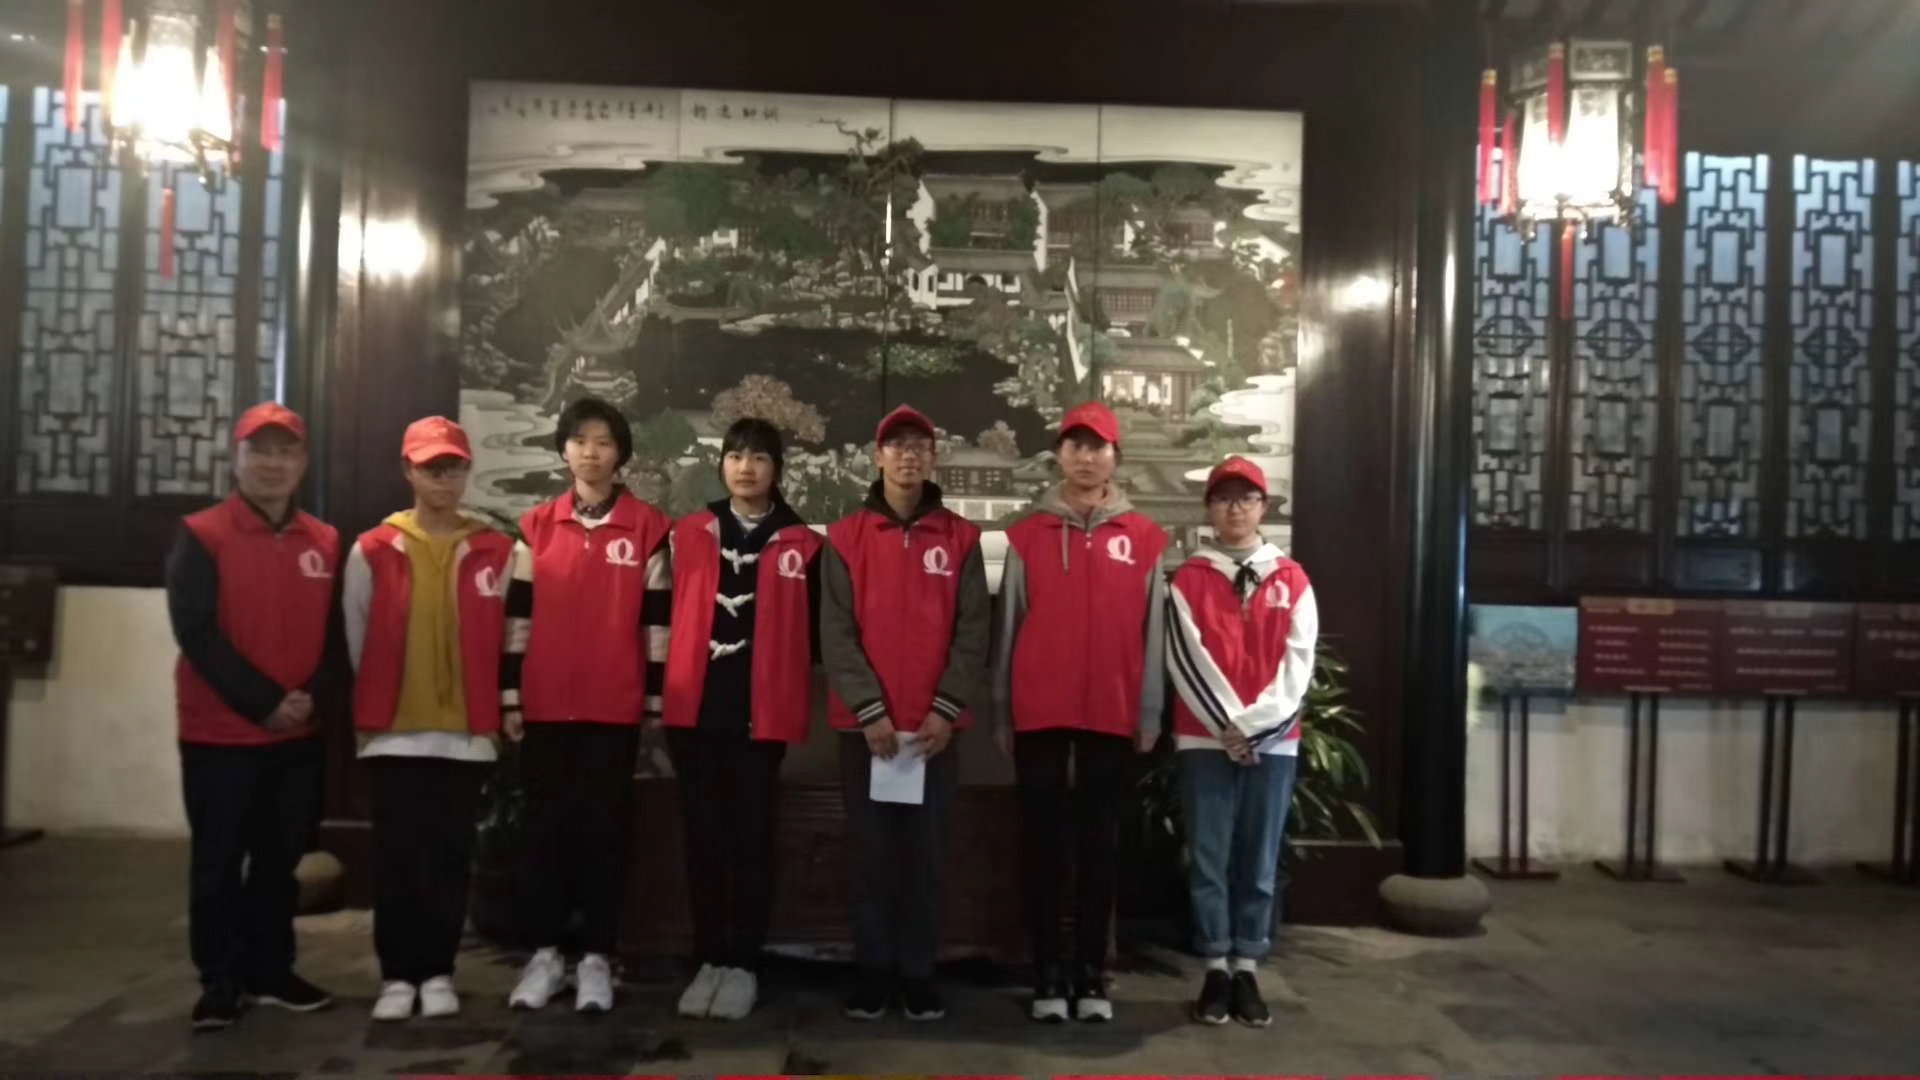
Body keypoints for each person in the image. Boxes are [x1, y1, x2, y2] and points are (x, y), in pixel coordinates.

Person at [993, 401, 1168, 1023]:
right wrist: (1003, 711)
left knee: (1100, 846)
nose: (1086, 457)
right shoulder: (1027, 535)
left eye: (1098, 447)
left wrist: (1150, 711)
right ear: (1059, 455)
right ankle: (1047, 971)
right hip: (1040, 707)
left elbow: (1154, 633)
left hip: (1113, 711)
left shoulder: (1144, 538)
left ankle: (1091, 973)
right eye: (1075, 445)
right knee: (1043, 845)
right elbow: (1009, 627)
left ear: (1115, 457)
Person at [165, 402, 338, 1032]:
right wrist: (264, 702)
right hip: (221, 733)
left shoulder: (324, 540)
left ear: (303, 462)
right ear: (235, 459)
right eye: (258, 451)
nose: (272, 464)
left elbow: (335, 635)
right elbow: (196, 632)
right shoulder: (202, 534)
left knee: (278, 862)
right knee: (217, 863)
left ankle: (272, 970)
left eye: (284, 452)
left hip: (297, 735)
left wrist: (310, 696)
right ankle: (219, 982)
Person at [820, 405, 989, 1023]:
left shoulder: (962, 538)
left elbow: (973, 632)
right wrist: (871, 713)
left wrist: (944, 711)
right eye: (897, 445)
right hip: (866, 732)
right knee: (870, 858)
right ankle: (872, 972)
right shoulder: (844, 538)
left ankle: (917, 973)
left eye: (920, 445)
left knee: (925, 859)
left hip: (934, 734)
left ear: (933, 457)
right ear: (878, 457)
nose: (908, 455)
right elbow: (836, 635)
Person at [503, 397, 672, 1014]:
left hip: (613, 710)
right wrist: (510, 695)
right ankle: (546, 955)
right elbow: (516, 619)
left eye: (604, 442)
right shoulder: (535, 527)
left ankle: (599, 957)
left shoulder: (648, 528)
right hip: (545, 708)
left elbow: (658, 626)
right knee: (545, 835)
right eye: (580, 441)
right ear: (564, 451)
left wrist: (652, 703)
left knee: (604, 835)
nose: (592, 452)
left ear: (620, 452)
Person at [343, 417, 514, 1022]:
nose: (443, 479)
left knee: (448, 856)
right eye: (431, 467)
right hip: (393, 731)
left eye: (453, 468)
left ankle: (438, 970)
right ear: (407, 471)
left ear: (467, 472)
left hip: (465, 733)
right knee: (396, 858)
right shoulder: (372, 549)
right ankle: (397, 974)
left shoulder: (496, 550)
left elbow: (509, 639)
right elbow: (357, 636)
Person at [662, 418, 822, 1021]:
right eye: (735, 455)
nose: (745, 467)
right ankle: (709, 956)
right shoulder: (690, 533)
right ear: (721, 464)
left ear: (776, 469)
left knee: (754, 838)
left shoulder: (804, 544)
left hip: (761, 716)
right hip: (694, 711)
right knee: (703, 839)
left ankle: (744, 964)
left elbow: (815, 637)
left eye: (758, 457)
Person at [1165, 456, 1317, 1028]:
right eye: (1225, 498)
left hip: (1272, 743)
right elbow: (1185, 658)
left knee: (1258, 858)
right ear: (1210, 508)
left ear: (1263, 507)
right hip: (1204, 739)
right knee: (1209, 856)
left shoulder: (1292, 579)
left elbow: (1298, 665)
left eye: (1247, 499)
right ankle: (1214, 966)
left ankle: (1247, 965)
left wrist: (1256, 728)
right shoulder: (1188, 578)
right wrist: (1229, 728)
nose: (1236, 509)